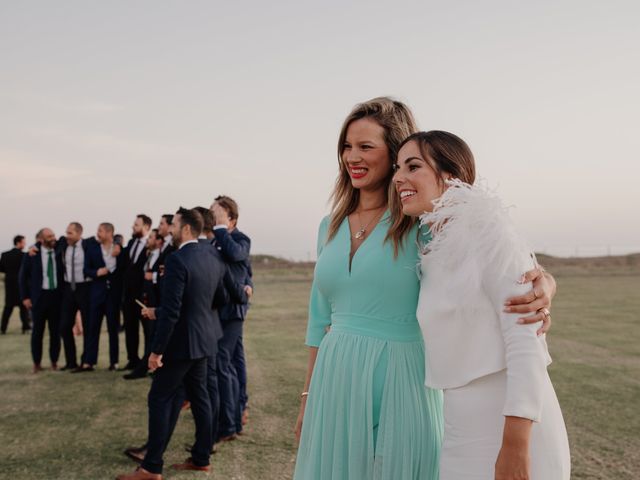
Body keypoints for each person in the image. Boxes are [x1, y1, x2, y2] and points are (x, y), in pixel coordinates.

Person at [293, 98, 556, 479]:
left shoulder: (421, 223)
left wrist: (545, 280)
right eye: (347, 147)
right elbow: (319, 321)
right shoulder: (328, 226)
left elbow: (492, 253)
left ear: (395, 152)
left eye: (366, 147)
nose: (353, 156)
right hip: (335, 378)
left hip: (404, 377)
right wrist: (307, 397)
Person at [393, 130, 570, 479]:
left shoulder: (490, 233)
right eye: (398, 167)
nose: (399, 177)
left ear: (452, 177)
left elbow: (525, 344)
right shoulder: (431, 251)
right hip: (459, 426)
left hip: (514, 427)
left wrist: (516, 446)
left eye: (413, 166)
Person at [116, 208, 240, 480]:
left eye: (173, 226)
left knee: (159, 398)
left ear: (185, 229)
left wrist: (155, 352)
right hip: (206, 340)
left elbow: (174, 311)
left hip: (181, 344)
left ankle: (151, 468)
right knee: (201, 399)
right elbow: (222, 298)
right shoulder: (213, 255)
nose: (170, 231)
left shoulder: (177, 260)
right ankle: (201, 459)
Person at [209, 196, 253, 440]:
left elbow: (237, 258)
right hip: (217, 310)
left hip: (232, 311)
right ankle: (233, 420)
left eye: (218, 212)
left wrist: (220, 228)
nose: (213, 215)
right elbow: (245, 272)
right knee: (233, 363)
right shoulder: (214, 239)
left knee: (222, 365)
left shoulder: (239, 239)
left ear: (231, 219)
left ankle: (228, 424)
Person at [77, 223, 124, 372]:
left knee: (113, 329)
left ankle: (114, 362)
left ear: (110, 233)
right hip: (97, 294)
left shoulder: (119, 249)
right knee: (93, 328)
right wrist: (97, 272)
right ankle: (90, 362)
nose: (98, 233)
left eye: (101, 231)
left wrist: (118, 245)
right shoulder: (92, 249)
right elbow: (86, 270)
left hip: (113, 296)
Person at [18, 228, 64, 373]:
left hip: (56, 296)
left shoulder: (59, 248)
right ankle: (36, 363)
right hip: (39, 298)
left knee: (55, 332)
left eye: (53, 235)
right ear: (41, 240)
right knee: (37, 332)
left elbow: (63, 239)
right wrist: (25, 297)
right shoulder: (32, 254)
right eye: (49, 236)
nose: (53, 238)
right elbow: (22, 277)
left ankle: (54, 362)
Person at [124, 229, 162, 380]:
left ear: (158, 241)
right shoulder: (149, 255)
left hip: (156, 300)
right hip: (145, 298)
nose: (148, 240)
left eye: (151, 237)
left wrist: (152, 276)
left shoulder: (161, 256)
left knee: (152, 335)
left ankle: (146, 368)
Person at [57, 222, 93, 370]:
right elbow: (45, 243)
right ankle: (70, 361)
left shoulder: (88, 244)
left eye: (70, 233)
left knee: (87, 326)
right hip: (68, 289)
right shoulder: (62, 244)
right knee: (65, 326)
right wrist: (34, 248)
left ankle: (86, 362)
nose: (67, 236)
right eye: (66, 232)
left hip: (85, 288)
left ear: (79, 233)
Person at [122, 214, 152, 370]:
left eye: (136, 224)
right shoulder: (131, 242)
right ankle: (132, 359)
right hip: (128, 295)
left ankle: (146, 361)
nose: (133, 227)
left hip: (143, 296)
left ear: (146, 227)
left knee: (147, 330)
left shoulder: (151, 245)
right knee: (130, 328)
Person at [0, 235, 30, 334]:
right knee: (23, 308)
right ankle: (25, 328)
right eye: (23, 242)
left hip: (9, 284)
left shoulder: (5, 255)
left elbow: (1, 269)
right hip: (20, 284)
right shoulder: (24, 256)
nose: (25, 244)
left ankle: (3, 328)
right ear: (19, 243)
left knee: (8, 307)